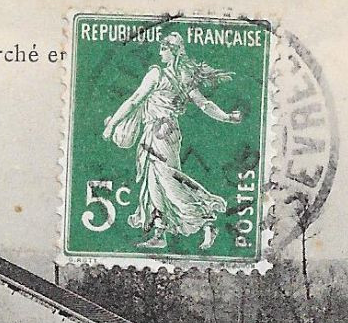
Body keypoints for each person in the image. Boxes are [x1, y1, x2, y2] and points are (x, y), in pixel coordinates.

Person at [101, 32, 243, 251]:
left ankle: (206, 219)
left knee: (167, 182)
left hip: (158, 134)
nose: (160, 52)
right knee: (155, 183)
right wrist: (226, 117)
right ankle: (160, 233)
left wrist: (112, 125)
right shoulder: (184, 79)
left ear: (173, 51)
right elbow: (204, 104)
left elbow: (133, 101)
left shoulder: (156, 75)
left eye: (163, 48)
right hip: (168, 134)